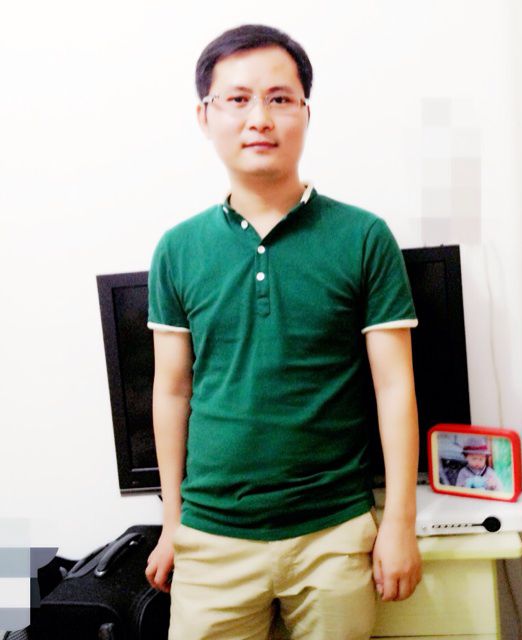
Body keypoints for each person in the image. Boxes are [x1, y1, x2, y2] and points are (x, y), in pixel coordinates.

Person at [144, 23, 422, 640]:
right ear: (205, 115)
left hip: (334, 532)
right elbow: (171, 392)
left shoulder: (363, 237)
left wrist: (400, 523)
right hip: (211, 537)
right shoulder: (177, 249)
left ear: (305, 112)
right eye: (237, 99)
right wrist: (172, 524)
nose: (259, 119)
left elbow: (394, 388)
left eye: (279, 98)